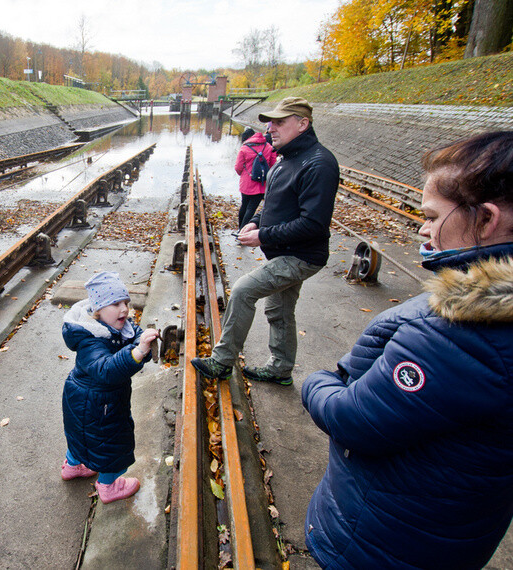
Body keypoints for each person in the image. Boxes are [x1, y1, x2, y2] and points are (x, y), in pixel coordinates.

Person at [301, 131, 513, 569]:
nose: (423, 228)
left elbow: (353, 419)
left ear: (486, 219)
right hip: (456, 529)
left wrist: (316, 382)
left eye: (432, 216)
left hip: (383, 540)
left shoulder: (459, 334)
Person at [191, 96, 339, 385]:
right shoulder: (287, 158)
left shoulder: (319, 164)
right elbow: (274, 202)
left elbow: (313, 224)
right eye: (271, 122)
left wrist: (263, 235)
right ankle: (280, 369)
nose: (271, 128)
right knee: (278, 309)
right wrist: (256, 221)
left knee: (243, 290)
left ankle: (222, 362)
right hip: (285, 251)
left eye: (279, 122)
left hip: (301, 256)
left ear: (302, 124)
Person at [60, 271, 159, 504]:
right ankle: (108, 486)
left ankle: (73, 467)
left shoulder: (115, 326)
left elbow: (133, 336)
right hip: (100, 404)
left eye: (125, 302)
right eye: (115, 304)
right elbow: (107, 370)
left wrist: (143, 342)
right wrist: (139, 351)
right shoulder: (90, 341)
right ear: (98, 311)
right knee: (112, 444)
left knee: (81, 436)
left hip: (83, 397)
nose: (124, 309)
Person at [235, 126, 277, 232]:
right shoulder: (268, 147)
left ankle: (240, 229)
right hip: (261, 183)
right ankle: (242, 231)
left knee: (244, 205)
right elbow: (273, 165)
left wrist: (244, 174)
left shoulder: (244, 148)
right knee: (251, 208)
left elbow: (238, 167)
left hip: (246, 182)